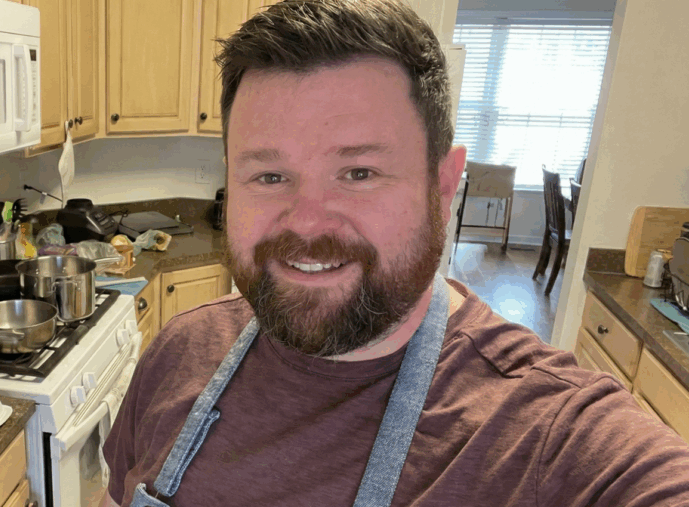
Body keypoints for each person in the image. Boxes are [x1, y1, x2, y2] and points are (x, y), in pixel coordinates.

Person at [100, 1, 689, 505]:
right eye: (270, 175)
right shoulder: (178, 350)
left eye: (359, 172)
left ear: (443, 184)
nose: (306, 222)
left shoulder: (544, 434)